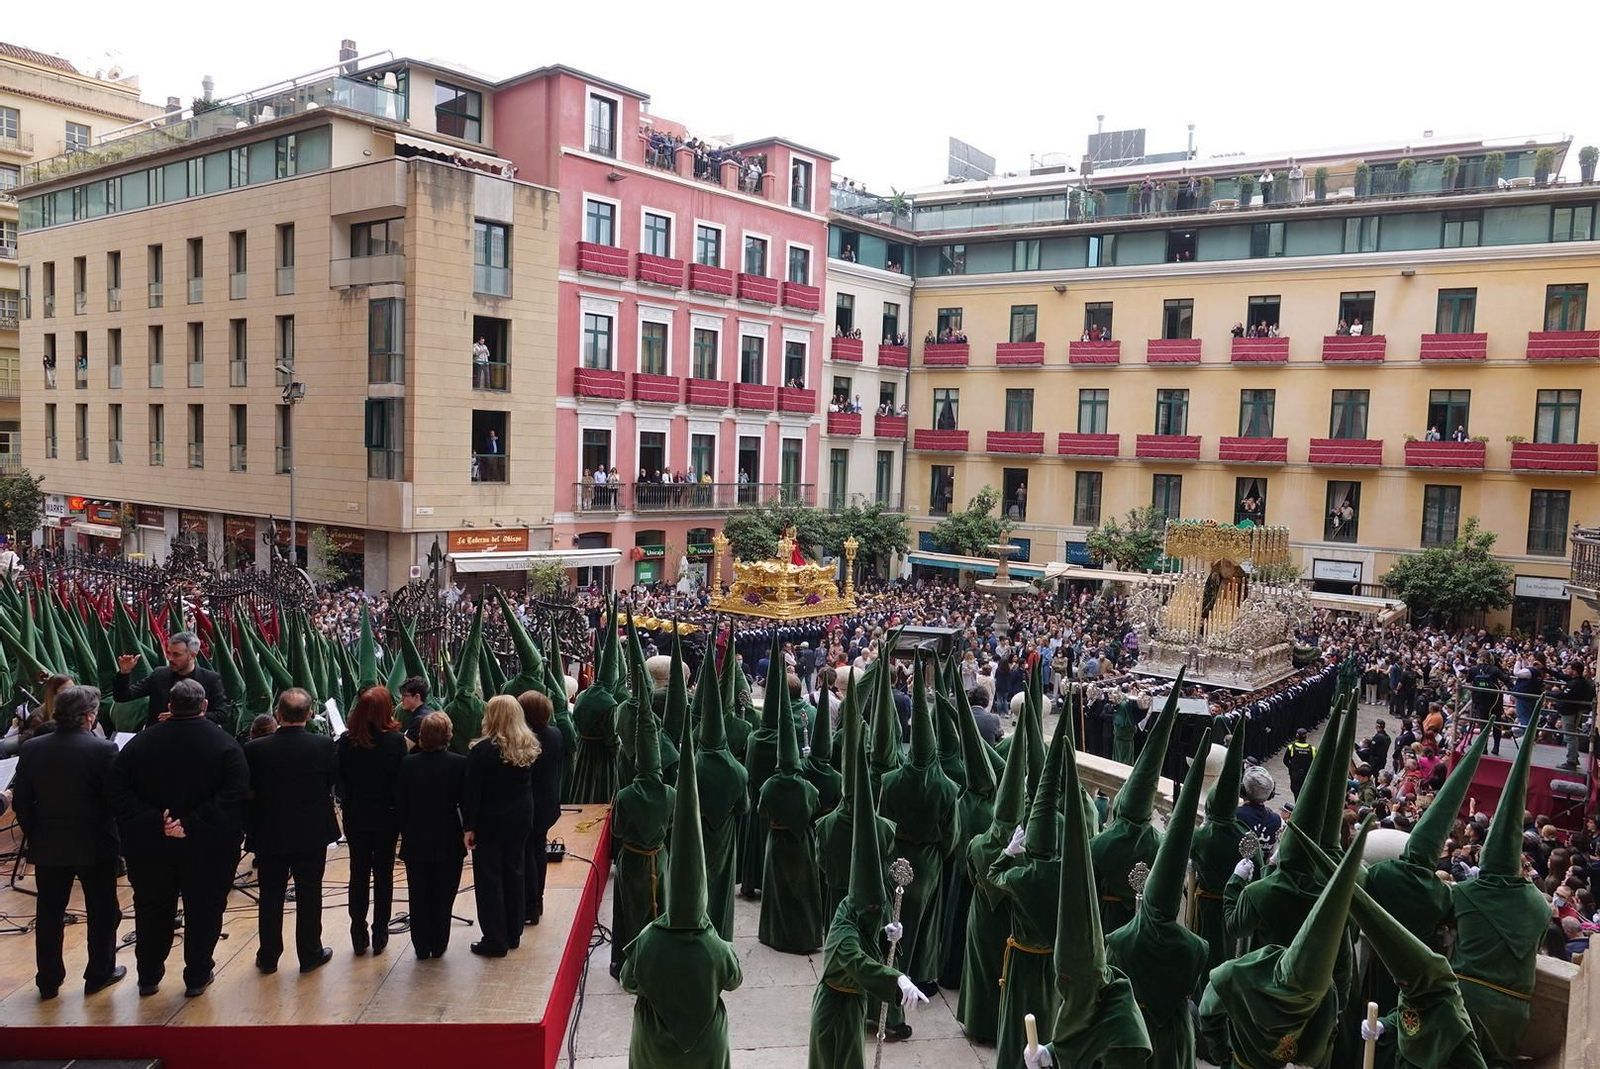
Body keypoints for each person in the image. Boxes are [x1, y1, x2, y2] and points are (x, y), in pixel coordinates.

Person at [107, 677, 249, 998]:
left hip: (151, 845)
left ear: (169, 706)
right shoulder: (226, 744)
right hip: (208, 845)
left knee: (152, 909)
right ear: (204, 705)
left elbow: (116, 790)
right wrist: (190, 823)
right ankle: (197, 976)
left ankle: (148, 976)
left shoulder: (139, 744)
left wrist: (156, 820)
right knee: (205, 909)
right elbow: (234, 794)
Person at [10, 684, 124, 1000]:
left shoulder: (33, 748)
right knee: (102, 912)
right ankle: (99, 974)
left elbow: (21, 800)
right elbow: (115, 800)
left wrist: (35, 833)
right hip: (95, 844)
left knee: (49, 914)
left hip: (47, 844)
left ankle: (48, 980)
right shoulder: (103, 750)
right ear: (89, 717)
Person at [246, 688, 339, 974]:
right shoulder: (324, 746)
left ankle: (268, 957)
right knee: (310, 893)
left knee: (270, 895)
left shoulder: (255, 749)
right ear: (309, 715)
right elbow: (331, 784)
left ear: (278, 714)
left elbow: (248, 791)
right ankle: (310, 954)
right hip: (311, 831)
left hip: (270, 831)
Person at [463, 693, 539, 957]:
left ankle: (495, 939)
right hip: (521, 817)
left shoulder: (483, 750)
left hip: (491, 820)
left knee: (490, 878)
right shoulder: (527, 745)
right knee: (515, 871)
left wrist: (468, 825)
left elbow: (472, 792)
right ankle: (513, 932)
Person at [337, 686, 407, 954]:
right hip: (387, 816)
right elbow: (400, 781)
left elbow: (340, 781)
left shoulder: (346, 741)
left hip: (356, 814)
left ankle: (357, 931)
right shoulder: (395, 741)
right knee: (383, 874)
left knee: (358, 872)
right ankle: (380, 932)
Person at [395, 711, 468, 960]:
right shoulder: (459, 763)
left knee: (418, 893)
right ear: (448, 735)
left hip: (416, 837)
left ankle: (421, 945)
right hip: (449, 837)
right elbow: (465, 803)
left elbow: (401, 803)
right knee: (444, 894)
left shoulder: (407, 764)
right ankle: (438, 943)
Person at [114, 631, 228, 729]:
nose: (170, 658)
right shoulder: (159, 675)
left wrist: (185, 716)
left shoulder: (210, 679)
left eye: (176, 655)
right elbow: (123, 696)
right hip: (159, 736)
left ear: (192, 655)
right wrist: (124, 673)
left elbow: (221, 714)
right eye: (169, 653)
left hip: (193, 737)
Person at [519, 689, 564, 925]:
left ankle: (530, 906)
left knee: (527, 855)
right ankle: (537, 900)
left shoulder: (525, 740)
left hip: (529, 804)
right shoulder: (555, 733)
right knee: (538, 851)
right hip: (547, 801)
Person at [399, 677, 437, 749]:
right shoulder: (431, 712)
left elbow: (403, 749)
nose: (401, 699)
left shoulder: (419, 721)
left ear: (417, 697)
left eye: (404, 696)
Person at [1284, 727, 1316, 796]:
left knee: (1296, 794)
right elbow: (1315, 763)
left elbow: (1285, 760)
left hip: (1295, 775)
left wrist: (1291, 768)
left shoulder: (1291, 747)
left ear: (1297, 736)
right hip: (1307, 775)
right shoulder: (1312, 749)